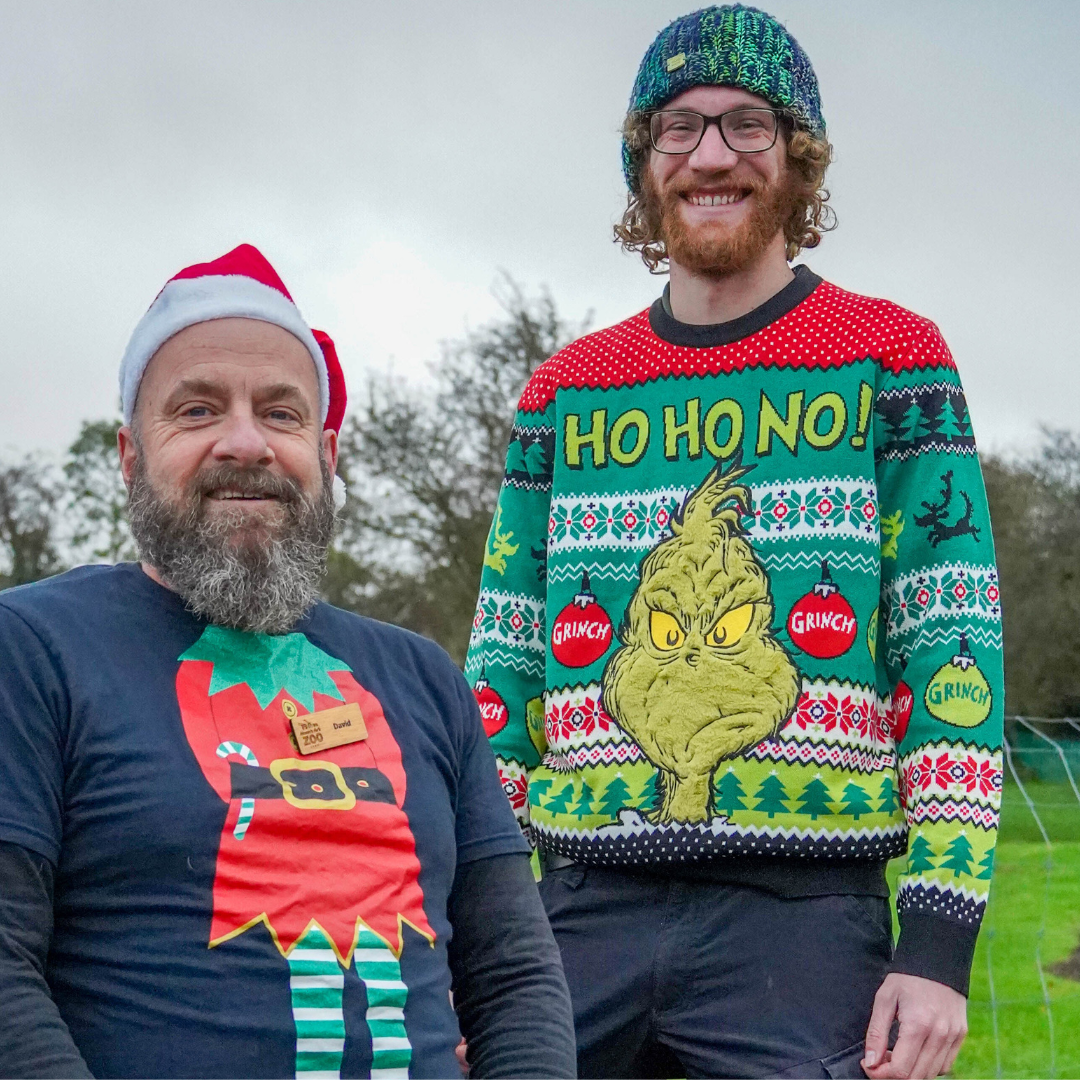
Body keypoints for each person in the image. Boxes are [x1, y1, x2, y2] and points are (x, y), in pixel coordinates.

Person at [464, 6, 1002, 1079]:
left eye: (748, 125)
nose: (712, 153)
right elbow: (504, 667)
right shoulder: (564, 393)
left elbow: (952, 648)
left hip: (804, 920)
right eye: (679, 127)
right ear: (644, 165)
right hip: (577, 911)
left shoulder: (894, 359)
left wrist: (938, 944)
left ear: (797, 159)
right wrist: (474, 928)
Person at [0, 244, 576, 1080]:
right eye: (197, 411)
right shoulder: (32, 650)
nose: (247, 442)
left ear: (326, 454)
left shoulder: (421, 677)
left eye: (281, 414)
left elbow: (515, 978)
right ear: (130, 458)